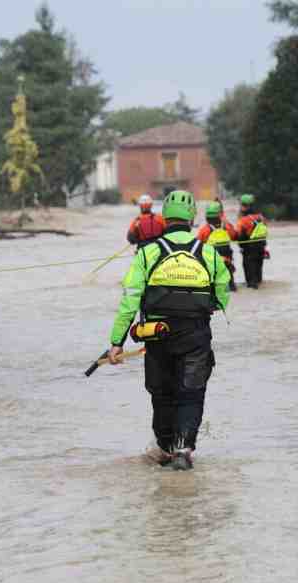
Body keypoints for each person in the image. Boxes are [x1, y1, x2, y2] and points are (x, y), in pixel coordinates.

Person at [107, 190, 231, 471]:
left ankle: (163, 448)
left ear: (164, 217)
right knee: (192, 391)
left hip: (156, 334)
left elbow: (130, 299)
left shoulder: (148, 253)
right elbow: (222, 294)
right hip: (196, 334)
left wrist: (117, 342)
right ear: (191, 218)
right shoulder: (208, 253)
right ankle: (184, 448)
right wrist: (212, 305)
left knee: (161, 393)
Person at [197, 201, 238, 292]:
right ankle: (232, 286)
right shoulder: (227, 227)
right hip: (227, 260)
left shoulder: (204, 230)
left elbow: (198, 244)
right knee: (229, 280)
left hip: (212, 260)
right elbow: (235, 236)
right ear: (219, 216)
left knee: (213, 283)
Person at [235, 193, 269, 289]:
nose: (240, 207)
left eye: (241, 205)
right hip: (261, 249)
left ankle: (253, 289)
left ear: (246, 206)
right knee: (258, 278)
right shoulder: (261, 217)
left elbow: (237, 235)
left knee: (251, 282)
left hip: (248, 252)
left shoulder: (243, 221)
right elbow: (264, 229)